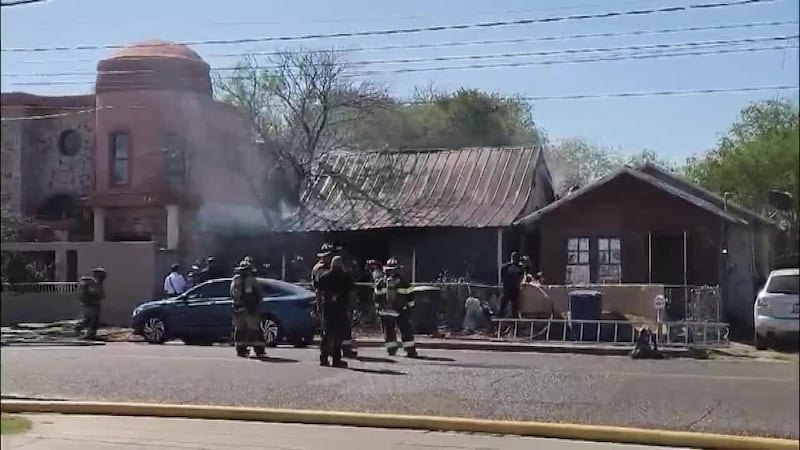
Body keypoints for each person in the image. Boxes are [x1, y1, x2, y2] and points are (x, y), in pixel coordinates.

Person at [374, 257, 418, 357]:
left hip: (385, 312)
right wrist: (409, 309)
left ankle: (391, 350)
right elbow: (410, 298)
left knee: (389, 331)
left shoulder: (380, 283)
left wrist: (379, 309)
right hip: (401, 310)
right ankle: (410, 350)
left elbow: (376, 298)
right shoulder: (404, 282)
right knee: (405, 330)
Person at [316, 256, 353, 367]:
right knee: (338, 335)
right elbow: (351, 294)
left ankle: (323, 358)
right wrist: (350, 309)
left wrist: (319, 306)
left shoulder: (324, 276)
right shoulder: (346, 277)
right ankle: (336, 360)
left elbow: (318, 292)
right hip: (341, 310)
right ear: (341, 264)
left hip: (327, 309)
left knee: (326, 334)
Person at [230, 260, 266, 358]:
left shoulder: (235, 280)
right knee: (254, 330)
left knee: (240, 331)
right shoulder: (253, 281)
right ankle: (259, 350)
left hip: (238, 310)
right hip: (251, 310)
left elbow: (232, 294)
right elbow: (260, 295)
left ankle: (241, 350)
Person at [76, 267, 106, 340]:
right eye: (102, 274)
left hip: (93, 304)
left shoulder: (97, 282)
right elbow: (91, 292)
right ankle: (82, 330)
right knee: (91, 320)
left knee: (91, 320)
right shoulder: (92, 282)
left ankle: (89, 333)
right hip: (91, 304)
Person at [499, 252, 524, 319]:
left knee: (505, 307)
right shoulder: (518, 268)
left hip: (509, 289)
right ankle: (511, 321)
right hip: (513, 290)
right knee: (512, 309)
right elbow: (521, 277)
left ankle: (500, 319)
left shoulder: (505, 267)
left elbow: (503, 277)